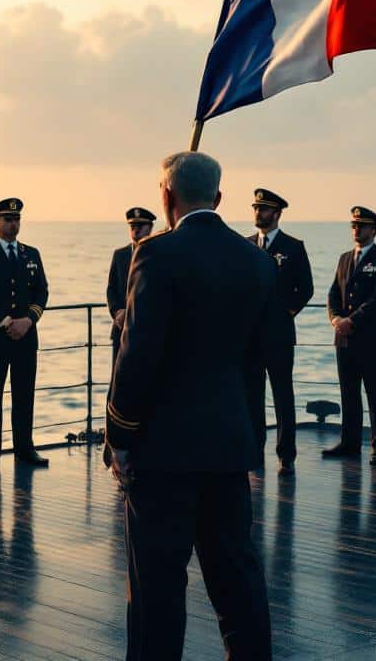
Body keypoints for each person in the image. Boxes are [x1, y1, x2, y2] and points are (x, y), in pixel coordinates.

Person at [107, 151, 273, 660]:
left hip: (163, 451)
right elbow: (262, 356)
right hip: (228, 445)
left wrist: (120, 437)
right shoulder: (256, 260)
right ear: (219, 198)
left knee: (157, 584)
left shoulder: (155, 255)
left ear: (165, 197)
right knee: (236, 579)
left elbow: (138, 357)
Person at [0, 198, 51, 472]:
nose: (13, 224)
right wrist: (5, 321)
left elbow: (42, 291)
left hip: (27, 336)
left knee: (24, 395)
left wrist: (29, 320)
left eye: (16, 219)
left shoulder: (32, 254)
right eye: (7, 219)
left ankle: (24, 448)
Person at [248, 188, 313, 475]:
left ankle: (286, 454)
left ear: (277, 214)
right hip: (251, 336)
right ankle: (254, 450)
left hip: (279, 335)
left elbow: (306, 288)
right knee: (252, 396)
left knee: (282, 395)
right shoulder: (247, 245)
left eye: (264, 209)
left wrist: (287, 311)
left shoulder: (293, 246)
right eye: (256, 208)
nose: (258, 213)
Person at [326, 206, 376, 464]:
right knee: (348, 392)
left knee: (374, 393)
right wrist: (335, 319)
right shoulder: (344, 258)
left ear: (373, 230)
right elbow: (333, 293)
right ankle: (350, 442)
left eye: (362, 226)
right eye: (354, 226)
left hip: (368, 337)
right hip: (343, 338)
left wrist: (351, 321)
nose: (357, 230)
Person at [107, 207, 155, 370]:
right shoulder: (119, 255)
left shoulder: (158, 255)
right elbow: (111, 288)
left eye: (140, 226)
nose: (136, 230)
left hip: (147, 331)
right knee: (118, 378)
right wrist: (117, 311)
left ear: (150, 227)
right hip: (121, 329)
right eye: (132, 226)